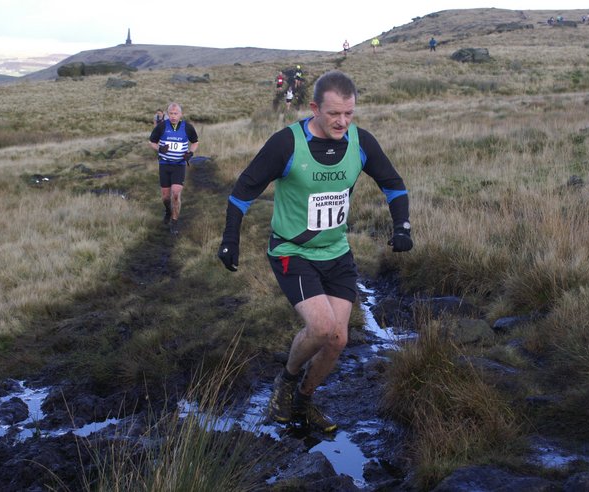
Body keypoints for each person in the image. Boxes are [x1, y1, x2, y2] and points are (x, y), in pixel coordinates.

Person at [216, 70, 412, 433]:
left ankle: (304, 401)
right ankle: (287, 381)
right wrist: (231, 238)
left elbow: (394, 184)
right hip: (292, 251)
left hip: (336, 252)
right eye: (334, 113)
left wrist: (402, 225)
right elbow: (243, 190)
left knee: (338, 339)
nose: (342, 121)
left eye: (349, 113)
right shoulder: (287, 144)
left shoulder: (360, 142)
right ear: (314, 108)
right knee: (321, 327)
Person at [148, 102, 199, 235]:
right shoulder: (161, 126)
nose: (173, 116)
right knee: (165, 197)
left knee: (175, 194)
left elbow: (195, 142)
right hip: (165, 165)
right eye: (171, 113)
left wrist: (190, 153)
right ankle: (168, 211)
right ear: (167, 114)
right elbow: (152, 142)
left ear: (181, 114)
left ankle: (174, 222)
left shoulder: (187, 127)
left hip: (179, 165)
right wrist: (160, 148)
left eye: (176, 113)